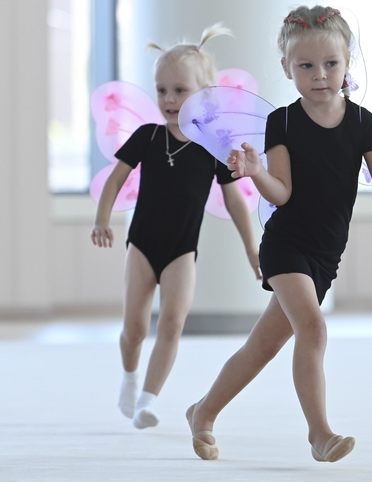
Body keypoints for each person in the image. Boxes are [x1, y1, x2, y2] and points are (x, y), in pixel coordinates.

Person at [185, 6, 372, 462]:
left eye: (331, 64)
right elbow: (280, 193)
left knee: (263, 346)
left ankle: (202, 412)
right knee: (314, 328)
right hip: (286, 244)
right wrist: (254, 172)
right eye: (306, 66)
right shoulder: (282, 121)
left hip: (325, 255)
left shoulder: (364, 123)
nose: (320, 75)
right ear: (287, 68)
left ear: (348, 64)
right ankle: (319, 434)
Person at [91, 23, 261, 430]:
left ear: (202, 93)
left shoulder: (213, 146)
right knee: (134, 328)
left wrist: (251, 248)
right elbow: (116, 178)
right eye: (162, 89)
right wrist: (102, 219)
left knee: (172, 323)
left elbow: (236, 201)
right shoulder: (148, 136)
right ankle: (130, 378)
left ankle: (148, 399)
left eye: (179, 90)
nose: (168, 99)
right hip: (143, 246)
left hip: (182, 251)